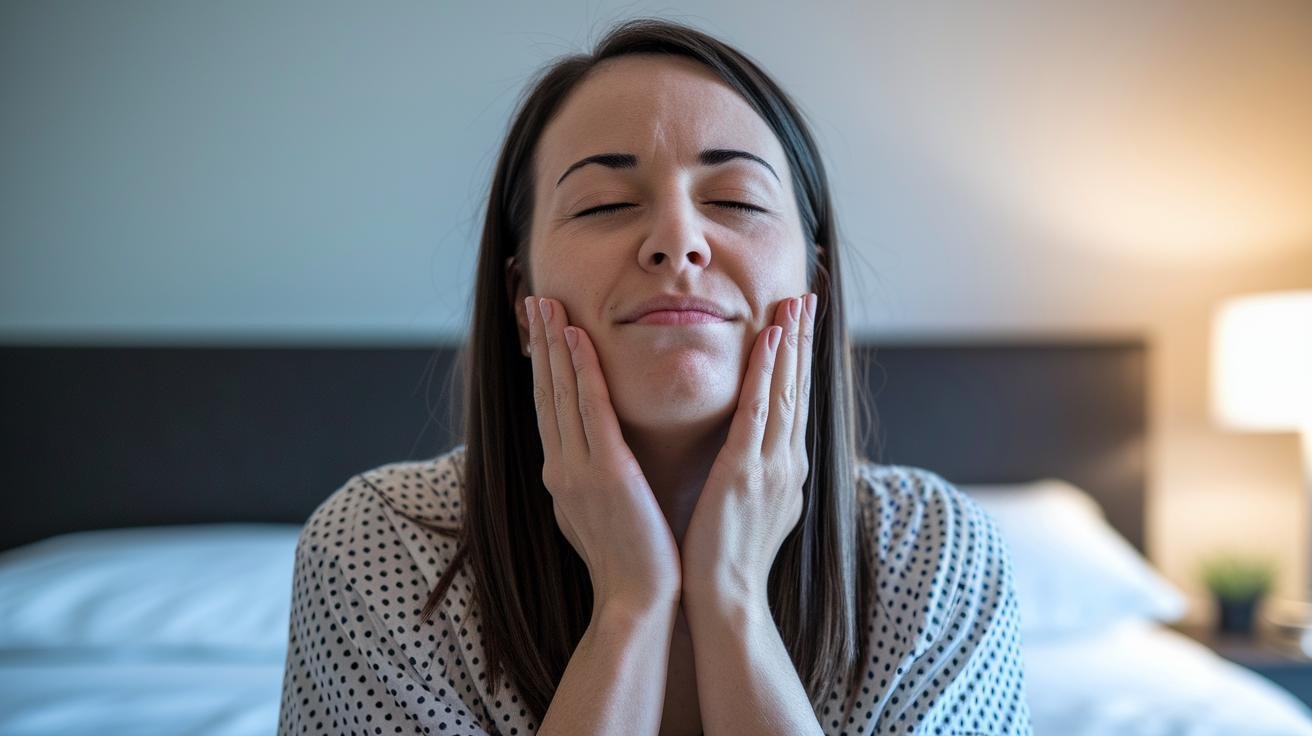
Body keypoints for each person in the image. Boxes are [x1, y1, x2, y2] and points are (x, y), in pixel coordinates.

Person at [278, 17, 1032, 736]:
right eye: (605, 204)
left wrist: (731, 598)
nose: (677, 242)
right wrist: (630, 607)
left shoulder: (935, 558)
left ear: (817, 292)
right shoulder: (379, 549)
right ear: (519, 299)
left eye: (735, 200)